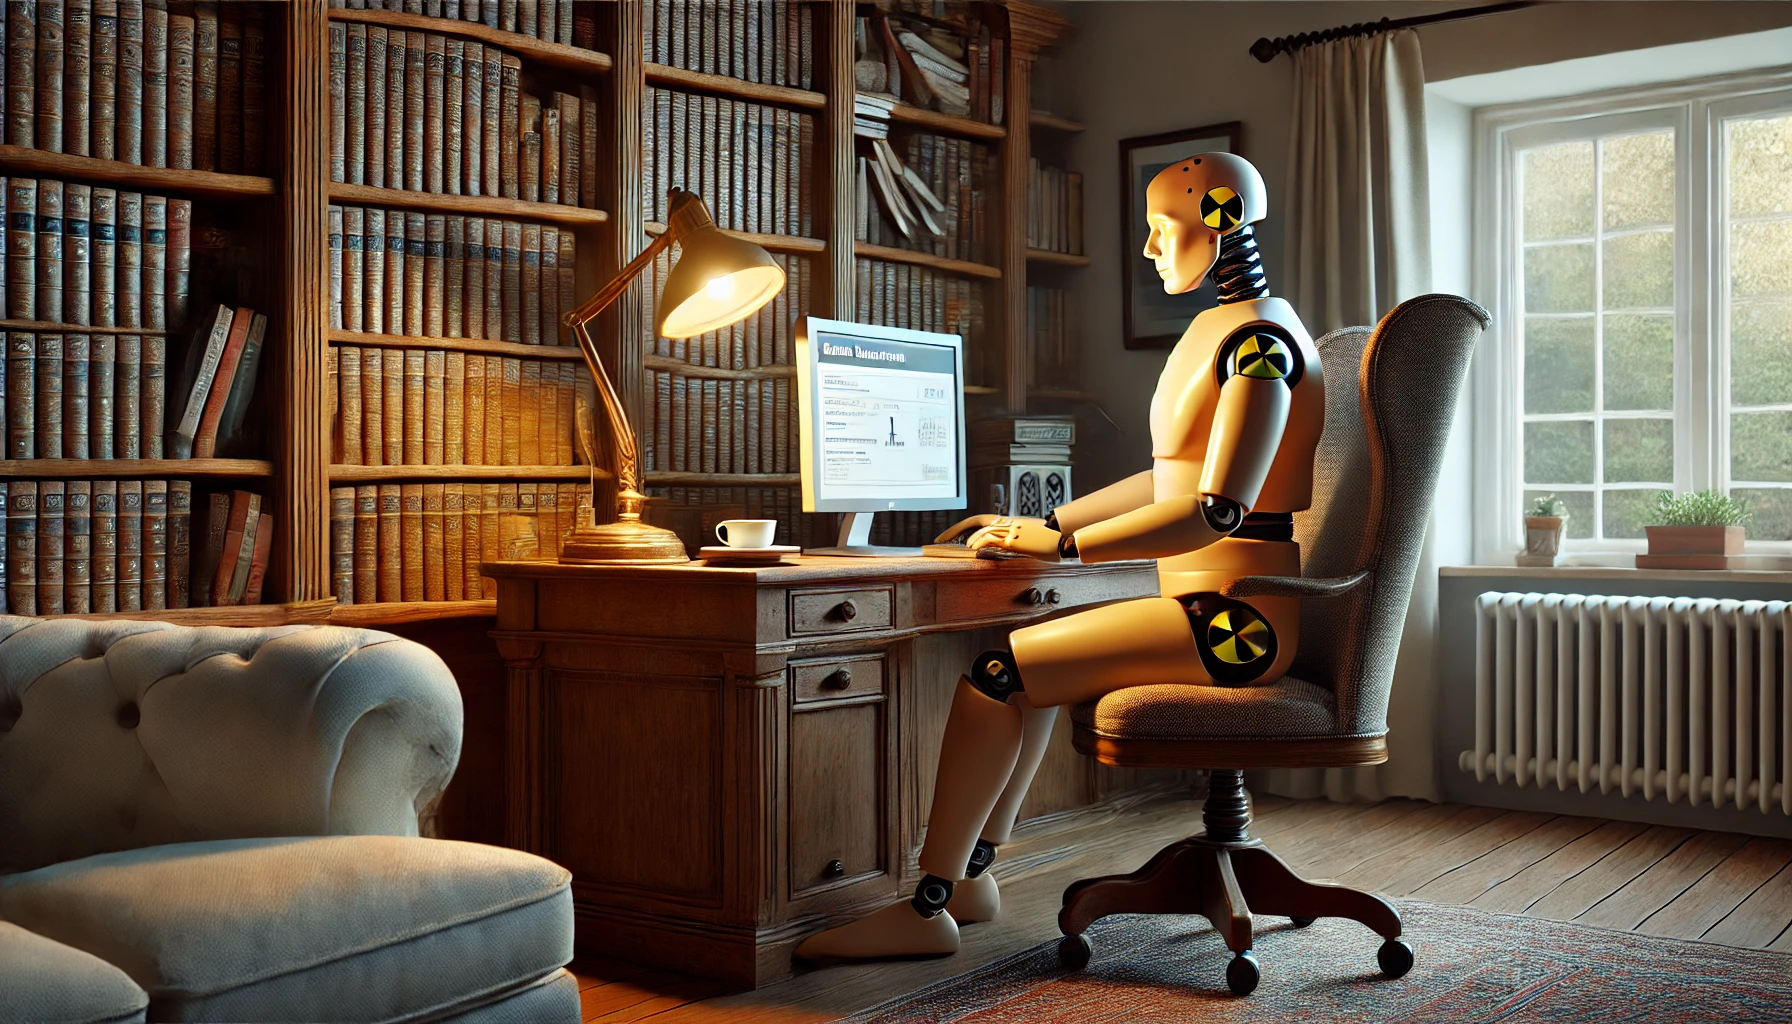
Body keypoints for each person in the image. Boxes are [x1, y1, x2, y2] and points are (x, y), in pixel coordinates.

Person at [794, 151, 1325, 961]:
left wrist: (1065, 542)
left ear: (1216, 219)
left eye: (1161, 228)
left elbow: (1215, 509)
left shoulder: (1259, 346)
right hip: (1207, 607)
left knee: (1001, 676)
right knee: (1036, 672)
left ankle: (928, 905)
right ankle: (970, 877)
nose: (1149, 249)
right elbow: (1166, 477)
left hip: (1235, 625)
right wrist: (1036, 519)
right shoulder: (1227, 329)